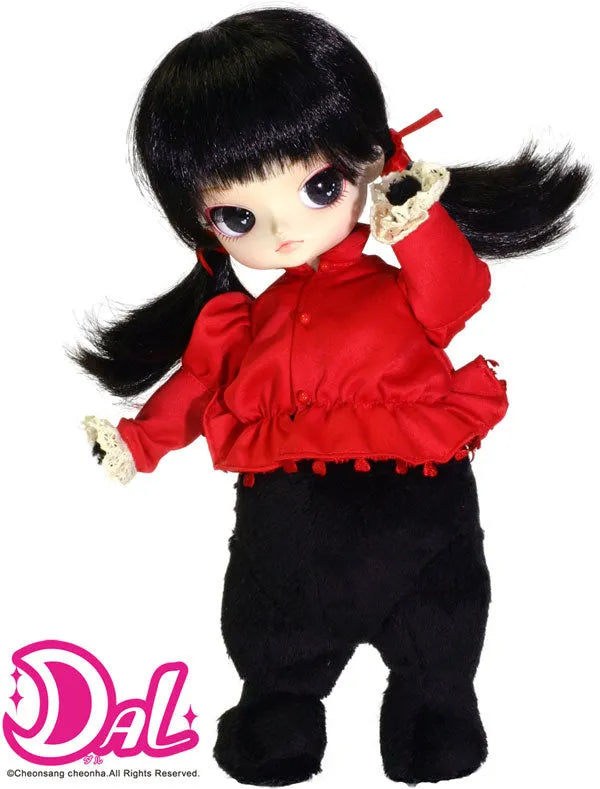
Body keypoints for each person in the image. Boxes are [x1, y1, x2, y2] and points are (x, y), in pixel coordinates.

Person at [68, 8, 590, 785]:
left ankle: (434, 704)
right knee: (274, 626)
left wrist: (416, 220)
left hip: (416, 494)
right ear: (204, 224)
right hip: (292, 513)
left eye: (318, 186)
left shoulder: (399, 284)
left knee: (437, 617)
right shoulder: (241, 320)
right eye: (239, 215)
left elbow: (457, 295)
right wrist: (140, 441)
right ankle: (281, 705)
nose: (280, 231)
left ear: (371, 161)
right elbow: (198, 385)